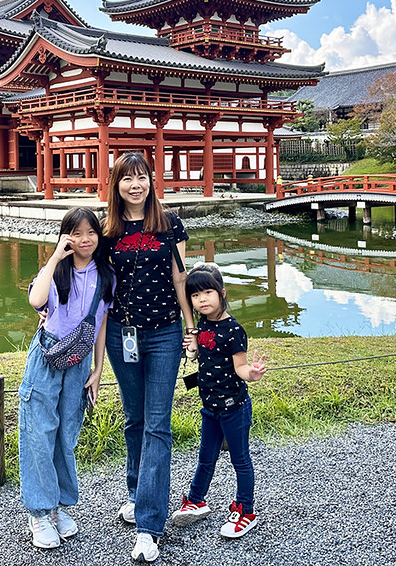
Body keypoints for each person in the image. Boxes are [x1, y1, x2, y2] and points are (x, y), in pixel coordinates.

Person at [102, 151, 196, 564]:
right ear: (116, 185)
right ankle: (138, 493)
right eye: (128, 179)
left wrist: (191, 326)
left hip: (164, 334)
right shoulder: (106, 229)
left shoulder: (169, 223)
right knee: (134, 418)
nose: (136, 185)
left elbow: (180, 275)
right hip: (123, 334)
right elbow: (89, 276)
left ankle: (149, 525)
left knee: (157, 424)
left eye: (142, 177)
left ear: (152, 181)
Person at [19, 207, 114, 550]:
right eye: (76, 233)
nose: (84, 239)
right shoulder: (56, 269)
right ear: (65, 235)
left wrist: (98, 370)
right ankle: (39, 513)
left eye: (91, 232)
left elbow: (100, 326)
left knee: (66, 434)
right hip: (48, 355)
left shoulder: (106, 276)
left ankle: (59, 506)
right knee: (38, 432)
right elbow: (36, 299)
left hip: (79, 362)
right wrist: (56, 255)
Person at [172, 263, 267, 539]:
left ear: (222, 294)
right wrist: (193, 349)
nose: (202, 299)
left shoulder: (234, 330)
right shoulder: (202, 324)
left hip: (234, 408)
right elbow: (202, 354)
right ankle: (196, 499)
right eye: (195, 295)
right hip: (210, 407)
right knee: (205, 458)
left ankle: (246, 511)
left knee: (240, 461)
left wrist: (253, 374)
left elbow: (240, 368)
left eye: (207, 293)